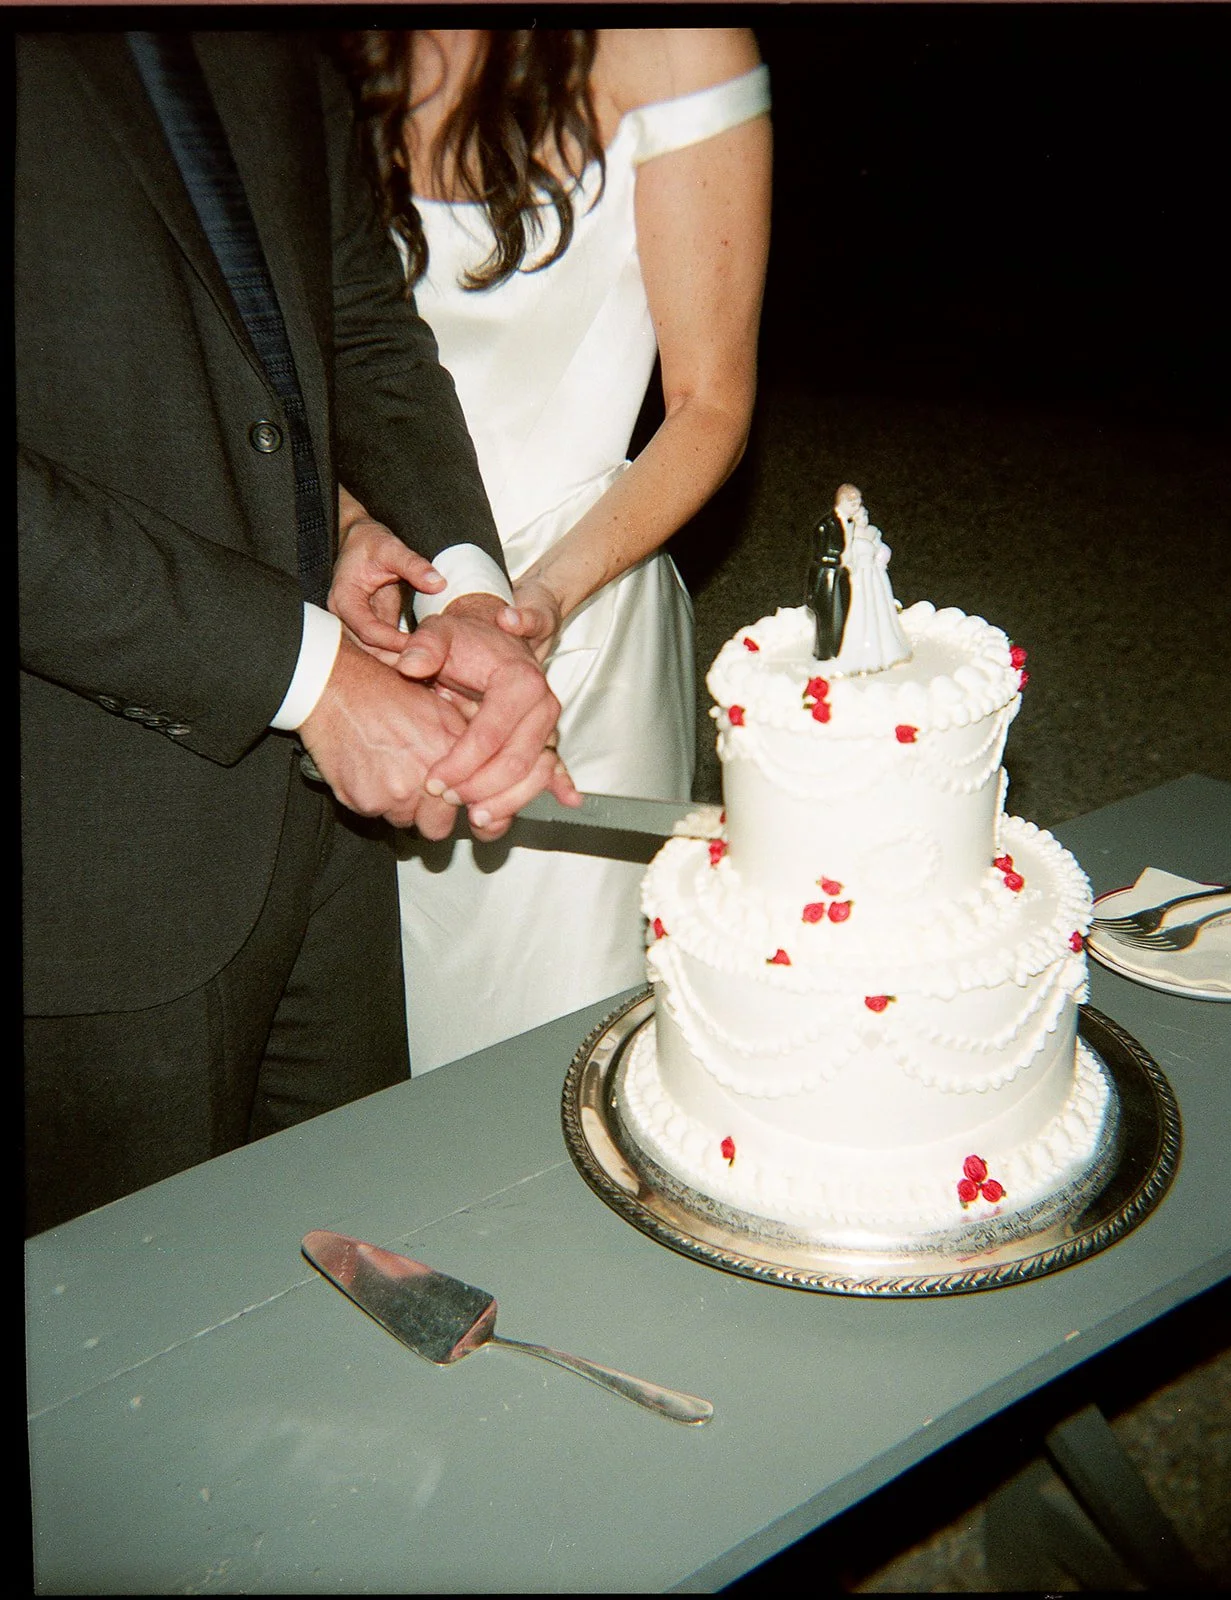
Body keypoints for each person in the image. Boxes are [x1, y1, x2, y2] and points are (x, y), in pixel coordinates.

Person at [18, 29, 575, 1235]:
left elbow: (351, 317)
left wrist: (460, 588)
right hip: (81, 843)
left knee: (357, 1237)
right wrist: (305, 671)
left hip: (323, 825)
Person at [334, 26, 772, 1072]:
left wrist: (535, 604)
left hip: (573, 605)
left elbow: (710, 402)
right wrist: (351, 532)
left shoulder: (671, 40)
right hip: (365, 603)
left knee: (559, 1057)